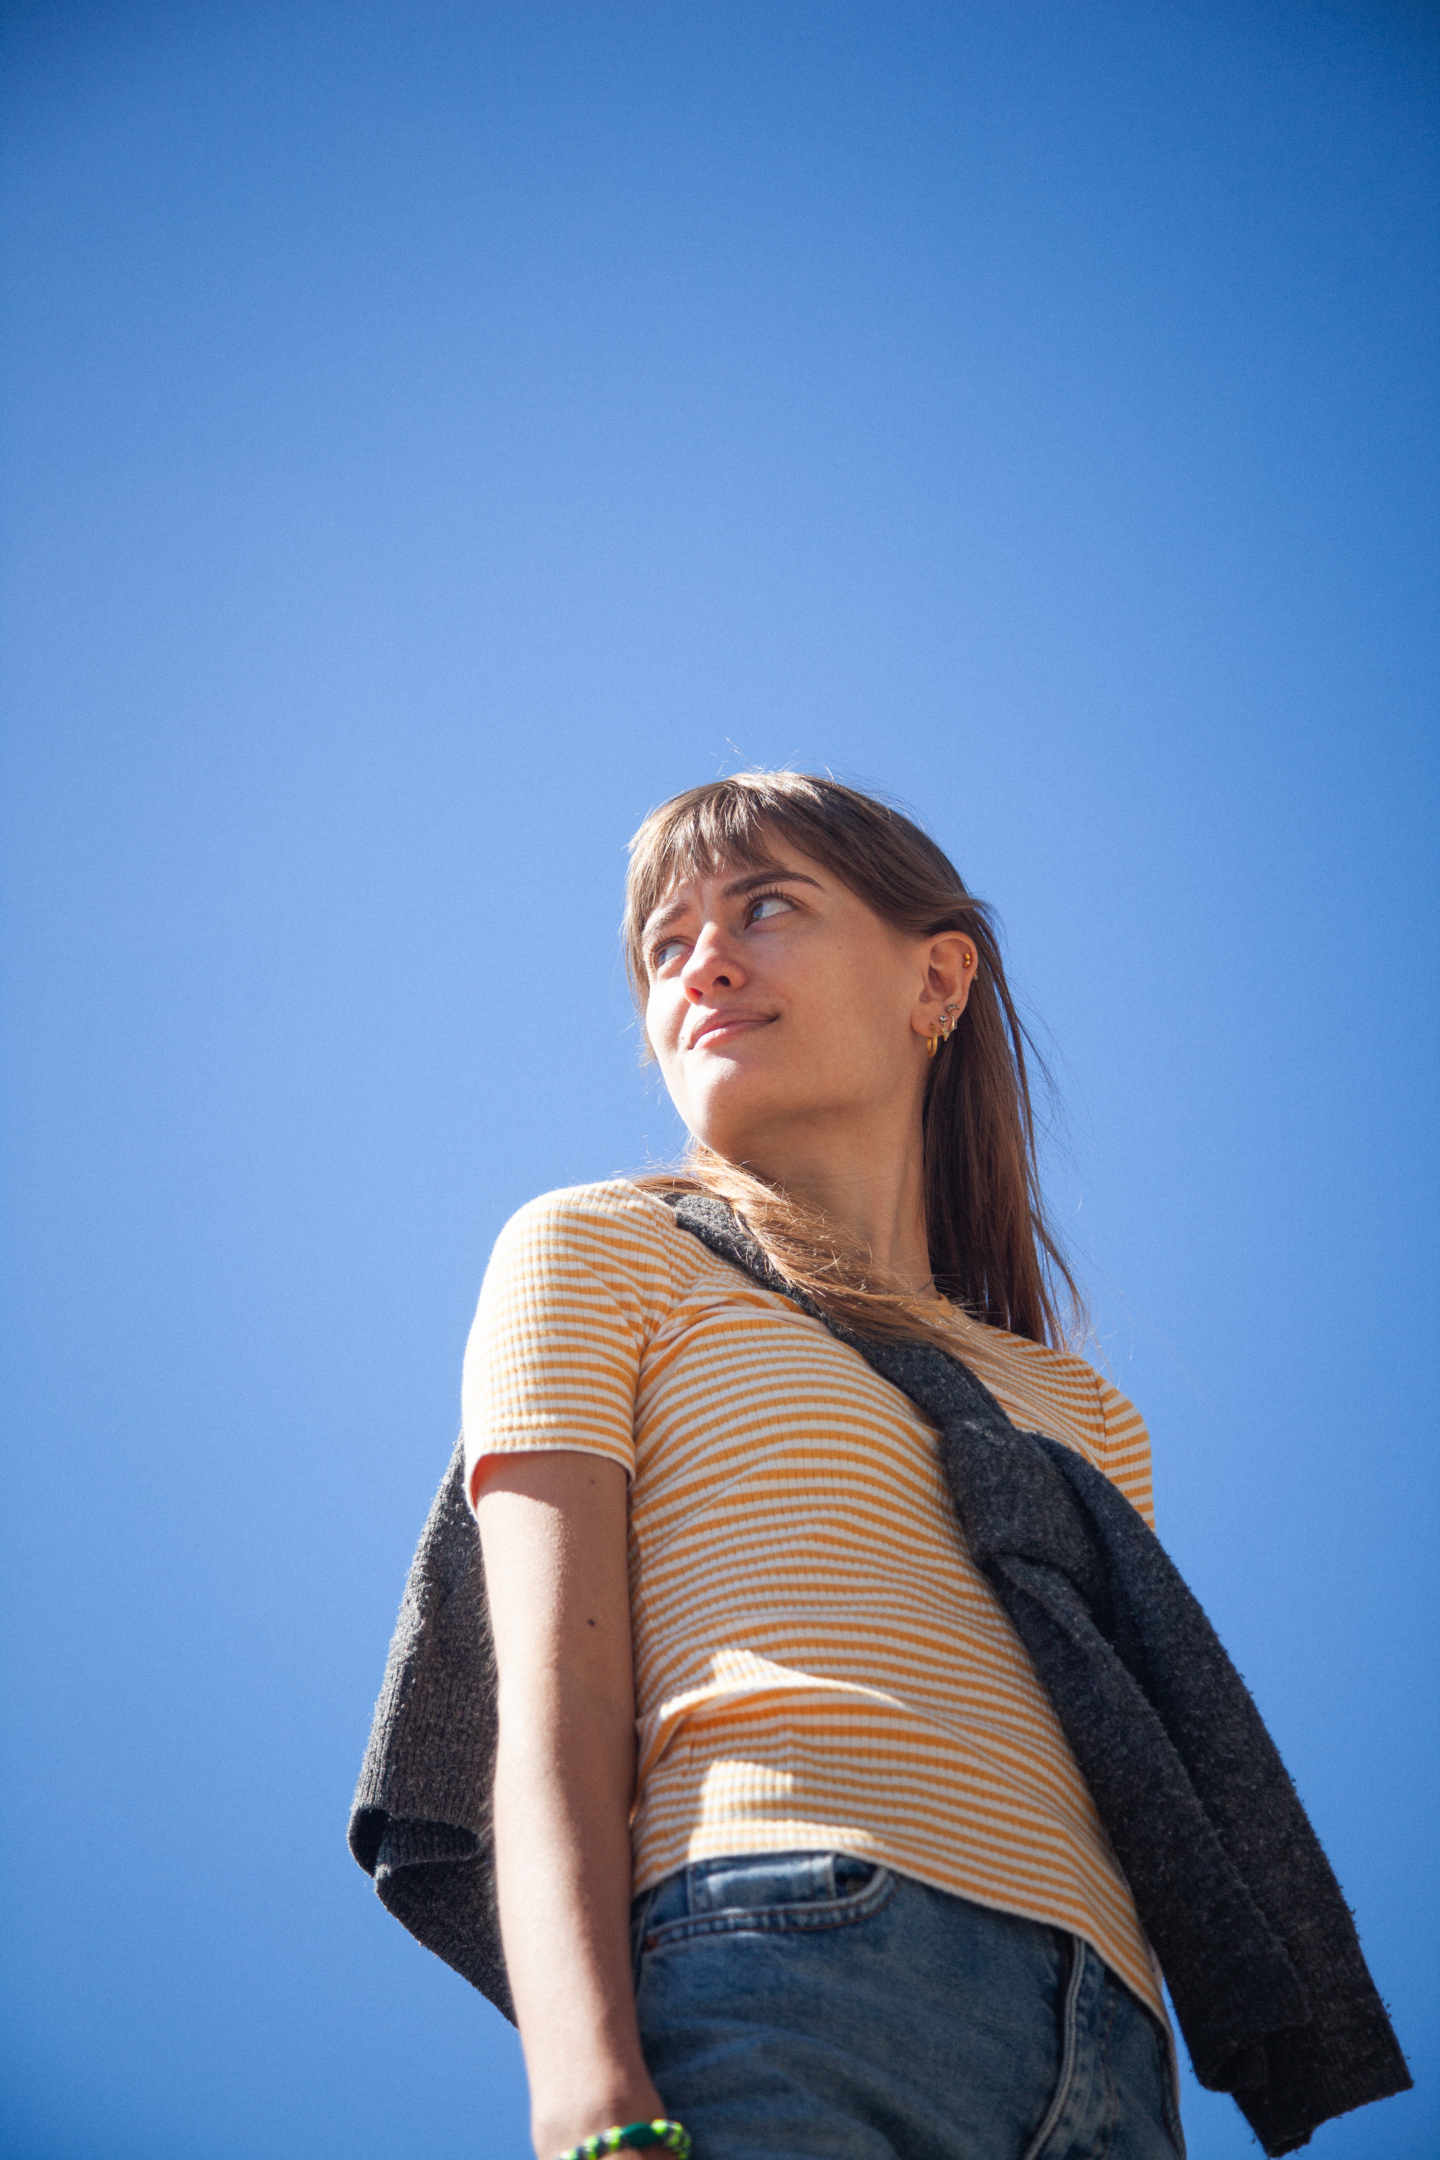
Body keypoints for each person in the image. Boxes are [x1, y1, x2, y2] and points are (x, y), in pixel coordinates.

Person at [464, 769, 1186, 2160]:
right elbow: (556, 1708)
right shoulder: (601, 1249)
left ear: (939, 980)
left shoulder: (1082, 1412)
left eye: (765, 905)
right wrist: (590, 2107)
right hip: (793, 1956)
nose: (704, 962)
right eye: (664, 946)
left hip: (1111, 2043)